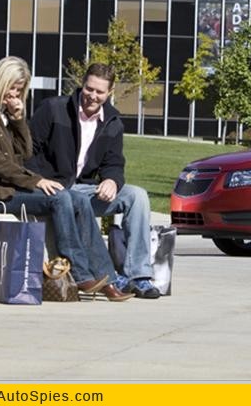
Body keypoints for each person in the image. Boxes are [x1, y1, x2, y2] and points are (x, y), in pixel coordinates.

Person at [0, 56, 132, 302]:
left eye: (19, 89)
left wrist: (18, 120)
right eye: (12, 87)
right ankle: (81, 275)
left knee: (78, 200)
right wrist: (36, 181)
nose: (15, 94)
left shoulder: (7, 114)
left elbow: (26, 153)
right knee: (61, 198)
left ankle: (107, 279)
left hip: (18, 185)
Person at [28, 63, 160, 299]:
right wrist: (39, 179)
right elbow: (28, 151)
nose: (93, 96)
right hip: (53, 188)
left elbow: (114, 162)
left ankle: (138, 276)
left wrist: (112, 180)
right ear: (82, 84)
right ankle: (101, 275)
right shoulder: (53, 109)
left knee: (137, 196)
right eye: (89, 89)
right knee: (72, 197)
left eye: (100, 92)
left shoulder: (113, 121)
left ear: (109, 93)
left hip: (85, 190)